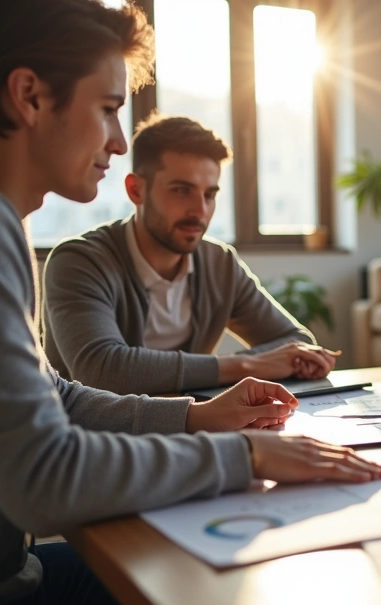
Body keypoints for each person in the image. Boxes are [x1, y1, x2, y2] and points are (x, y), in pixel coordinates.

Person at [0, 1, 381, 605]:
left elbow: (55, 398)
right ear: (27, 96)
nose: (117, 139)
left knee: (227, 582)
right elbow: (43, 477)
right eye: (108, 107)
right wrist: (242, 455)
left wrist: (198, 415)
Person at [42, 113, 336, 396]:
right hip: (95, 440)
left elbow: (295, 343)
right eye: (182, 190)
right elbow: (103, 370)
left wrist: (258, 364)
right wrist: (247, 365)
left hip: (189, 429)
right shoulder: (79, 261)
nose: (200, 211)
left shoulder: (218, 263)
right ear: (136, 190)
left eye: (210, 194)